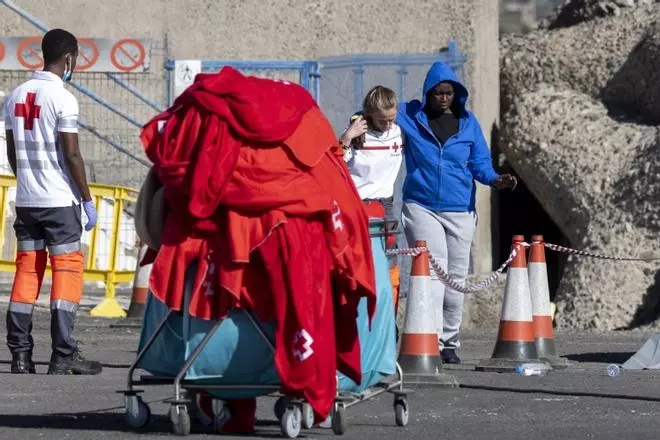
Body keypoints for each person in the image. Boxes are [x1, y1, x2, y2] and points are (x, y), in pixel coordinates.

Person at [396, 61, 517, 364]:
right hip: (421, 206)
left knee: (456, 279)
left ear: (457, 94)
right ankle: (431, 340)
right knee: (436, 273)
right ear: (428, 93)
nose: (444, 97)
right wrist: (359, 122)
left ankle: (450, 341)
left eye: (449, 92)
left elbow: (480, 163)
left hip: (461, 210)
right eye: (438, 92)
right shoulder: (410, 115)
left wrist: (495, 179)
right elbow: (379, 109)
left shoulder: (468, 123)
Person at [4, 29, 101, 375]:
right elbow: (72, 155)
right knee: (68, 270)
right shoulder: (63, 98)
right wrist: (87, 200)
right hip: (59, 203)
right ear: (69, 59)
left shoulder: (15, 95)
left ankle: (19, 355)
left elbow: (13, 151)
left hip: (27, 201)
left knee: (27, 272)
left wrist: (27, 181)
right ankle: (63, 355)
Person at [339, 85, 404, 311]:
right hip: (357, 205)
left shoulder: (398, 130)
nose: (388, 125)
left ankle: (390, 316)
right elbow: (334, 160)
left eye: (391, 119)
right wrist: (347, 136)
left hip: (385, 205)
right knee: (357, 263)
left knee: (390, 262)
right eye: (382, 120)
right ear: (369, 115)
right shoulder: (358, 134)